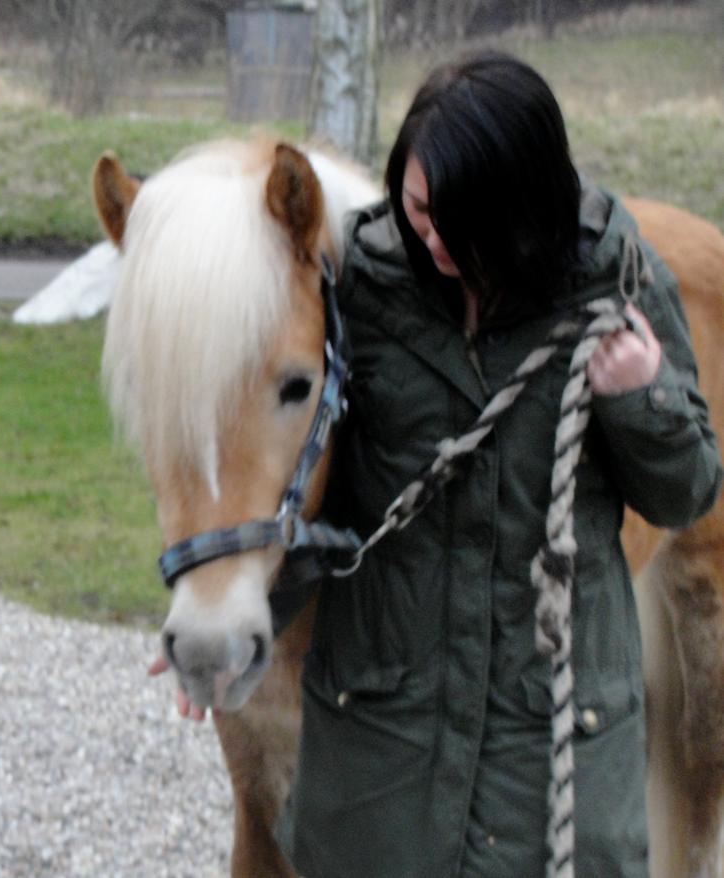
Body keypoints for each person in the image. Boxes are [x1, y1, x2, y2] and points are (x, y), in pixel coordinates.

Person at [157, 51, 724, 876]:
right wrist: (227, 611)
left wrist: (642, 397)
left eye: (460, 217)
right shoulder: (365, 291)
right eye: (418, 205)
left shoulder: (616, 285)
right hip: (396, 732)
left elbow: (687, 489)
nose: (432, 234)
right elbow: (316, 488)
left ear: (526, 201)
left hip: (555, 723)